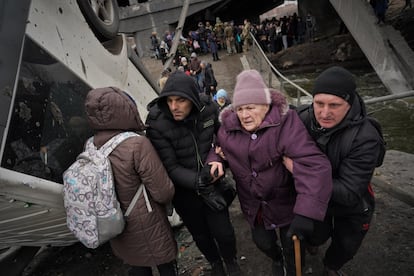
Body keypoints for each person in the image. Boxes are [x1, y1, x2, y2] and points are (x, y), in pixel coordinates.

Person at [206, 70, 333, 276]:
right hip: (254, 204)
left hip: (285, 201)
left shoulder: (286, 123)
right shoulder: (228, 128)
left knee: (293, 245)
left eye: (250, 107)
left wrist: (306, 212)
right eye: (240, 108)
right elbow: (217, 147)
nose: (244, 115)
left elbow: (315, 165)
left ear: (266, 106)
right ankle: (276, 258)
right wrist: (215, 159)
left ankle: (291, 268)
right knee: (262, 242)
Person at [290, 66, 385, 276]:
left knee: (347, 245)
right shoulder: (303, 119)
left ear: (349, 103)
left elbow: (350, 192)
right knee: (315, 233)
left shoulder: (366, 137)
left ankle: (331, 266)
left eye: (334, 105)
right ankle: (314, 242)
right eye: (319, 103)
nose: (324, 113)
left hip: (351, 203)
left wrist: (299, 170)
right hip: (317, 199)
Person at [145, 71, 241, 276]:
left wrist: (220, 161)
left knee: (223, 232)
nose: (174, 107)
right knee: (201, 235)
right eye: (169, 100)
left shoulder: (209, 110)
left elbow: (223, 140)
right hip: (185, 192)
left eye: (180, 100)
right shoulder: (157, 123)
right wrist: (199, 181)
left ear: (193, 99)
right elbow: (169, 167)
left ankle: (231, 261)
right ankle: (215, 263)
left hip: (213, 183)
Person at [84, 87, 177, 276]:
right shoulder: (137, 144)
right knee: (164, 263)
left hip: (114, 222)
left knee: (137, 265)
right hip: (148, 223)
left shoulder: (90, 146)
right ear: (126, 110)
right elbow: (163, 191)